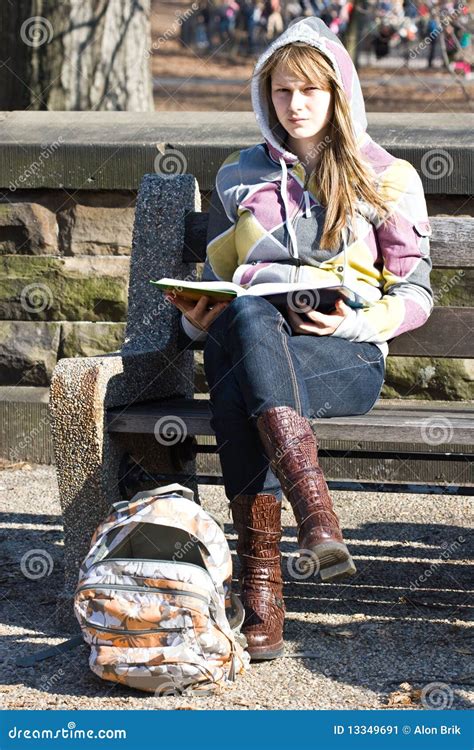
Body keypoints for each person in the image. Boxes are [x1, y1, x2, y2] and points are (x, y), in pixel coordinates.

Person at [166, 16, 433, 661]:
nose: (297, 104)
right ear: (266, 98)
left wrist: (358, 323)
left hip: (344, 356)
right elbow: (221, 277)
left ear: (340, 93)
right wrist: (190, 319)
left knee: (239, 384)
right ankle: (317, 519)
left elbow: (417, 293)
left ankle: (265, 594)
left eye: (312, 90)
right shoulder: (240, 175)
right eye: (283, 91)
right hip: (256, 337)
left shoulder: (385, 176)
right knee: (249, 318)